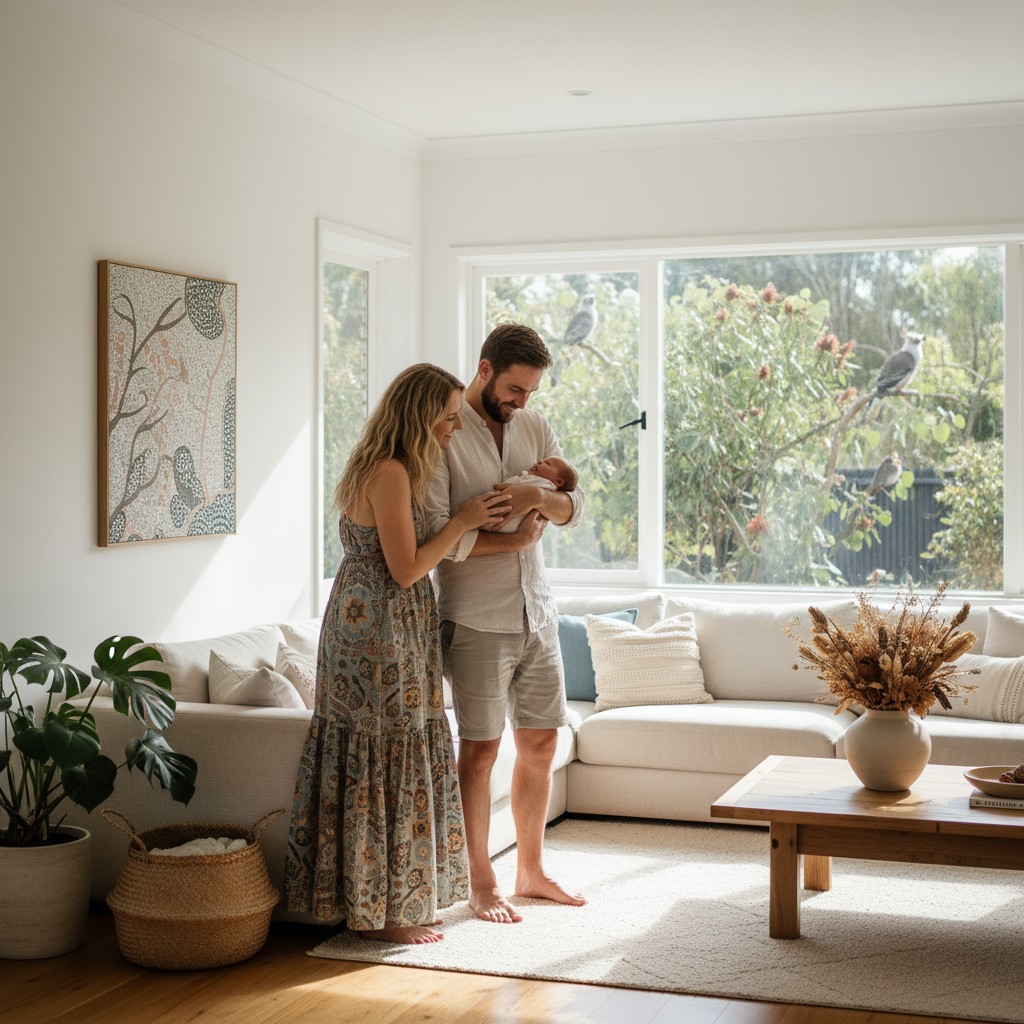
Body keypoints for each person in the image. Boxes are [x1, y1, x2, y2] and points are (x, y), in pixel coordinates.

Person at [284, 363, 512, 945]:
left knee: (396, 750)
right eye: (448, 417)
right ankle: (381, 915)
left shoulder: (392, 466)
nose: (453, 428)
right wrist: (463, 521)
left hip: (388, 624)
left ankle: (391, 901)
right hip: (377, 630)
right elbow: (406, 568)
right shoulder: (388, 472)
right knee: (385, 754)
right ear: (420, 415)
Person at [425, 324, 587, 924]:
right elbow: (439, 539)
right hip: (475, 616)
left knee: (542, 741)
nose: (524, 402)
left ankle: (531, 870)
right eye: (517, 389)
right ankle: (481, 879)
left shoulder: (534, 428)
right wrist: (514, 532)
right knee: (482, 749)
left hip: (537, 610)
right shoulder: (443, 433)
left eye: (532, 391)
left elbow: (571, 505)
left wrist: (541, 501)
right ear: (486, 369)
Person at [484, 456, 579, 533]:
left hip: (511, 523)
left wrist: (538, 495)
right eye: (542, 460)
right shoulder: (534, 479)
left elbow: (576, 503)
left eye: (547, 463)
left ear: (558, 481)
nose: (540, 461)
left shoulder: (547, 486)